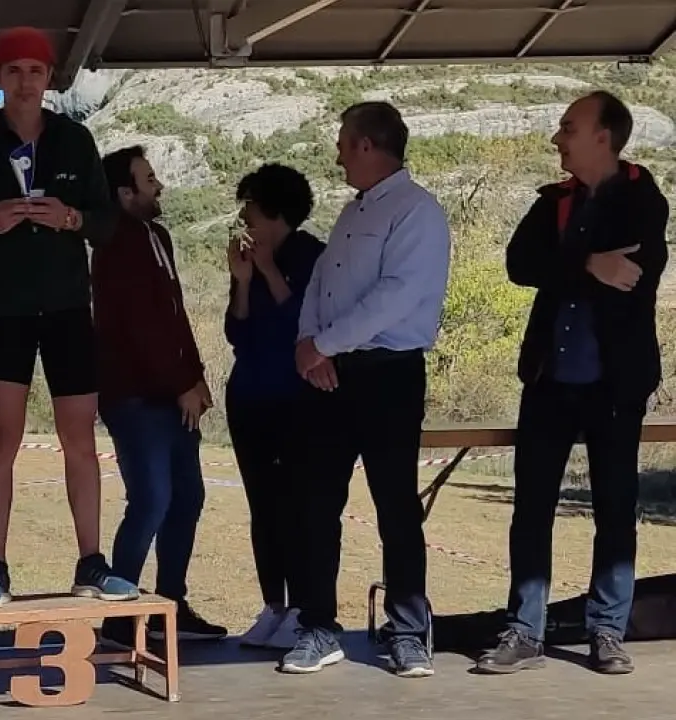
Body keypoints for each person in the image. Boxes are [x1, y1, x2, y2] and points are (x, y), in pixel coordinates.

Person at [0, 27, 136, 610]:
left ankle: (91, 563)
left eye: (35, 71)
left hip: (69, 310)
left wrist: (70, 218)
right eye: (13, 70)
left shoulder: (75, 139)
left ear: (50, 78)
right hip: (6, 311)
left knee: (80, 439)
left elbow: (106, 224)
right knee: (2, 439)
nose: (25, 81)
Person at [475, 91, 669, 676]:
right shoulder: (553, 201)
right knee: (532, 508)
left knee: (614, 507)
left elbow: (633, 274)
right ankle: (523, 632)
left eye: (568, 127)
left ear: (603, 137)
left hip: (615, 382)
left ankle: (607, 631)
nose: (556, 138)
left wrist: (564, 263)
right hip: (549, 378)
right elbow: (518, 265)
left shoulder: (643, 198)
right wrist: (587, 264)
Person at [282, 101, 452, 678]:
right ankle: (318, 627)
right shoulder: (350, 211)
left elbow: (395, 296)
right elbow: (321, 283)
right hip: (331, 374)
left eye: (341, 144)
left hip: (388, 374)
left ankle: (407, 633)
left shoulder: (417, 210)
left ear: (365, 145)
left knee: (396, 507)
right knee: (317, 504)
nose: (337, 157)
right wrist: (310, 345)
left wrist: (324, 343)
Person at [92, 145, 226, 645]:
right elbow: (140, 326)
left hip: (172, 394)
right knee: (151, 499)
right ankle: (121, 616)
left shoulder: (158, 237)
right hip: (134, 395)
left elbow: (173, 316)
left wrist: (196, 377)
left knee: (187, 496)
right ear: (124, 193)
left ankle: (171, 605)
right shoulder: (115, 243)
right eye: (149, 179)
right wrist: (180, 382)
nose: (159, 185)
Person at [223, 164, 325, 649]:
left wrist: (268, 270)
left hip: (297, 400)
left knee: (297, 506)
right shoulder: (249, 259)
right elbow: (236, 332)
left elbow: (304, 325)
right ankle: (273, 605)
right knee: (262, 506)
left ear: (277, 214)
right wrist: (244, 280)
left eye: (251, 209)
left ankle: (303, 607)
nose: (244, 219)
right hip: (249, 397)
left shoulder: (313, 256)